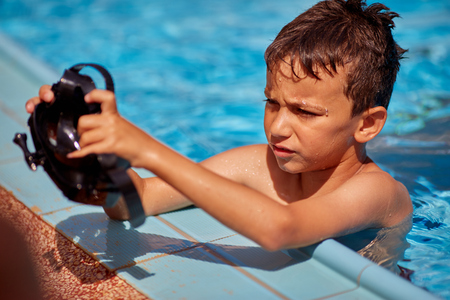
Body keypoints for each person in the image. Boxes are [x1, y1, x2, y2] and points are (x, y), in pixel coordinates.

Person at [26, 0, 412, 255]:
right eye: (271, 102)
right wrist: (87, 150)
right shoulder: (259, 165)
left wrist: (146, 149)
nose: (278, 126)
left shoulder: (375, 191)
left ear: (368, 125)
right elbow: (137, 201)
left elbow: (281, 230)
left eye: (305, 112)